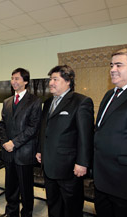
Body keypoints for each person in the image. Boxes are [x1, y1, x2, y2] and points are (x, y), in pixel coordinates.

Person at [36, 65, 94, 217]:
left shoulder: (81, 101)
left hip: (69, 168)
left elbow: (85, 136)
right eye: (50, 79)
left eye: (55, 79)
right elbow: (44, 129)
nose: (51, 83)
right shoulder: (48, 103)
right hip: (49, 165)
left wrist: (82, 162)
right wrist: (40, 150)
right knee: (53, 205)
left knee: (71, 208)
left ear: (68, 81)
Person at [94, 48, 127, 217]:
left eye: (119, 65)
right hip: (101, 177)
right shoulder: (109, 94)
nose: (112, 69)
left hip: (124, 180)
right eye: (111, 65)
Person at [0, 68, 42, 217]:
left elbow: (33, 128)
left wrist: (14, 143)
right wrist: (5, 142)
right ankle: (11, 213)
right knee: (10, 188)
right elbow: (2, 124)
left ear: (25, 81)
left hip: (24, 153)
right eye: (12, 78)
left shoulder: (35, 101)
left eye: (17, 79)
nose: (13, 82)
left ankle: (26, 214)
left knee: (25, 189)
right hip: (8, 153)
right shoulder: (7, 102)